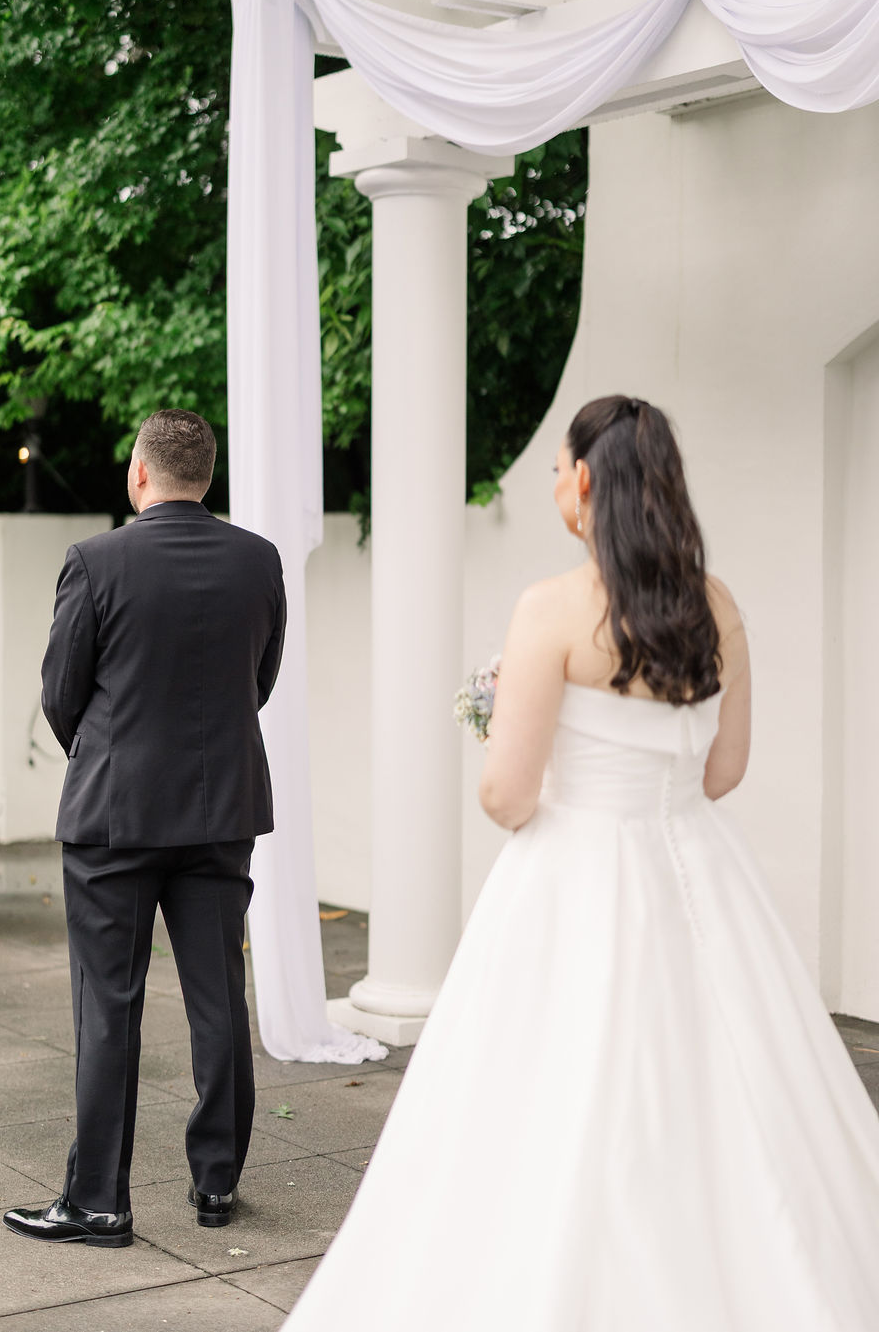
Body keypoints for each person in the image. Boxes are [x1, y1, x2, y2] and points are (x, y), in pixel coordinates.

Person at [282, 395, 879, 1329]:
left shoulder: (553, 608)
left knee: (547, 1096)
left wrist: (530, 748)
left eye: (558, 470)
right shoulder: (718, 606)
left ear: (587, 481)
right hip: (702, 868)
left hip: (576, 876)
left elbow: (507, 794)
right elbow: (724, 770)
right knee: (742, 1084)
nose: (555, 484)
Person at [3, 408, 285, 1249]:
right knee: (219, 997)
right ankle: (217, 1182)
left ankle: (98, 1202)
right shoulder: (259, 560)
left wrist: (106, 753)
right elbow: (259, 680)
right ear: (206, 476)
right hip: (220, 808)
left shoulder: (95, 560)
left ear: (138, 473)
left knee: (107, 1004)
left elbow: (61, 692)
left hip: (114, 817)